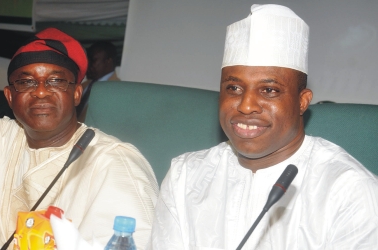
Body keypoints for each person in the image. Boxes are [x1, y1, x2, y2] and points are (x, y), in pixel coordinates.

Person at [149, 4, 378, 249]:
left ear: (302, 102)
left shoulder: (349, 191)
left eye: (269, 90)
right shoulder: (185, 175)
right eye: (234, 88)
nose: (246, 106)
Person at [0, 27, 158, 250]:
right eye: (26, 82)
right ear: (9, 96)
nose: (41, 92)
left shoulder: (115, 163)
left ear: (76, 94)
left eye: (55, 81)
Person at [77, 41, 121, 122]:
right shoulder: (84, 85)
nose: (88, 65)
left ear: (108, 61)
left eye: (93, 60)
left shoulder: (118, 91)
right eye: (87, 60)